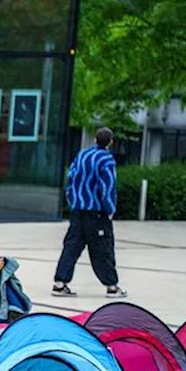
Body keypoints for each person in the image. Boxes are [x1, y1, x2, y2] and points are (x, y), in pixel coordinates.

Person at [53, 127, 126, 298]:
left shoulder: (82, 155)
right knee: (102, 249)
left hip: (78, 210)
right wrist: (110, 209)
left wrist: (72, 202)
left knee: (71, 246)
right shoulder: (107, 160)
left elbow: (70, 180)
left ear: (95, 140)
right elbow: (107, 187)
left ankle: (60, 283)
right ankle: (112, 286)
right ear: (110, 143)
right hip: (97, 213)